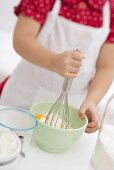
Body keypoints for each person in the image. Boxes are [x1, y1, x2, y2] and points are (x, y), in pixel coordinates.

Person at [0, 0, 114, 133]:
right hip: (24, 97)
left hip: (72, 108)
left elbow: (106, 67)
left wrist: (92, 100)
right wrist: (53, 61)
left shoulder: (110, 10)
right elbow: (21, 39)